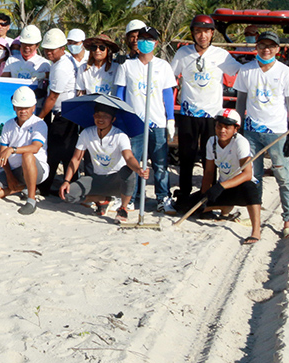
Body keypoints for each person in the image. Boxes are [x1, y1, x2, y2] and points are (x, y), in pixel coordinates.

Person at [170, 14, 242, 209]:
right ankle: (184, 194)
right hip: (188, 114)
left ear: (212, 34)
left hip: (212, 116)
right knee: (186, 156)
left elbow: (240, 72)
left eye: (206, 32)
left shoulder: (221, 55)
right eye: (198, 32)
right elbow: (170, 78)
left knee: (211, 156)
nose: (202, 36)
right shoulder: (183, 53)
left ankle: (209, 195)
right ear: (193, 34)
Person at [233, 30, 289, 238]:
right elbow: (241, 101)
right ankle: (256, 218)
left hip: (278, 133)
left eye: (271, 46)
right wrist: (239, 127)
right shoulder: (246, 71)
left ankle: (288, 218)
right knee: (254, 176)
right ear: (257, 47)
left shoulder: (285, 72)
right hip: (252, 132)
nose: (266, 49)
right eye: (262, 45)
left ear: (277, 49)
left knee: (282, 175)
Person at [115, 26, 178, 213]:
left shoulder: (163, 66)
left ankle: (162, 197)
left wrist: (171, 119)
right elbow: (120, 93)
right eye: (141, 38)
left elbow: (167, 94)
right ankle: (132, 198)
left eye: (149, 39)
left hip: (157, 122)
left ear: (156, 43)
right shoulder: (126, 65)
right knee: (134, 162)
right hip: (134, 123)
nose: (144, 42)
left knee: (160, 164)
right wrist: (121, 119)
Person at [58, 102, 148, 221]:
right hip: (97, 178)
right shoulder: (86, 133)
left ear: (113, 119)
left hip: (117, 179)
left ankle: (123, 208)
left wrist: (139, 169)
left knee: (129, 171)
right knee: (67, 195)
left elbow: (129, 157)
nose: (100, 119)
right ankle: (103, 199)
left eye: (105, 116)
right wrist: (66, 180)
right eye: (97, 115)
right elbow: (76, 159)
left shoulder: (120, 135)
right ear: (93, 116)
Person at [187, 108, 263, 244]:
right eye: (219, 126)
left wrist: (221, 186)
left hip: (239, 187)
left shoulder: (241, 142)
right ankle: (224, 208)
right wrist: (204, 194)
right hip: (223, 188)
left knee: (251, 188)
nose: (222, 131)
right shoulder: (212, 142)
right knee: (186, 206)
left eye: (227, 127)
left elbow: (247, 174)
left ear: (235, 129)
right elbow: (209, 172)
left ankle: (256, 231)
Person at [0, 86, 48, 215]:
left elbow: (35, 147)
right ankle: (22, 188)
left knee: (27, 155)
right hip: (15, 170)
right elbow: (2, 155)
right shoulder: (8, 125)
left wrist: (12, 149)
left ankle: (31, 200)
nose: (23, 111)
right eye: (19, 108)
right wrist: (9, 176)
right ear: (14, 108)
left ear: (34, 107)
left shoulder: (39, 124)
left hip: (37, 169)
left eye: (26, 108)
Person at [38, 28, 81, 195]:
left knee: (55, 153)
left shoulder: (62, 66)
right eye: (46, 49)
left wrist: (39, 118)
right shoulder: (59, 63)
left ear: (62, 48)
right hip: (66, 114)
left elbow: (52, 97)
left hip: (65, 115)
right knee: (65, 152)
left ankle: (46, 187)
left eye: (52, 49)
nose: (48, 52)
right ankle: (68, 186)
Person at [1, 26, 50, 99]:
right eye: (24, 43)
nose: (27, 47)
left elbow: (53, 79)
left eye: (30, 45)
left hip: (36, 103)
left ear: (37, 46)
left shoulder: (44, 63)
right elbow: (3, 81)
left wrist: (43, 90)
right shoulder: (11, 60)